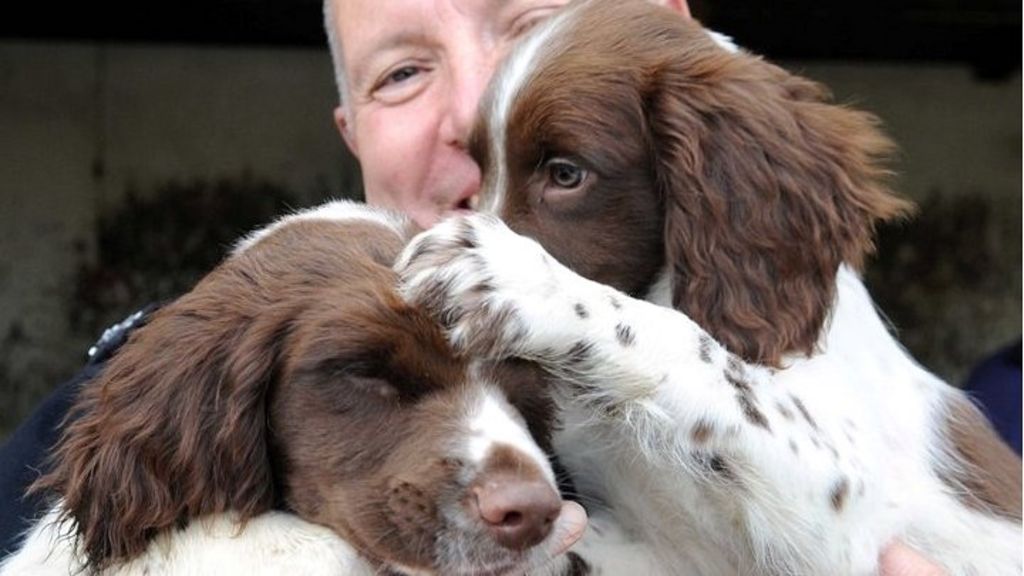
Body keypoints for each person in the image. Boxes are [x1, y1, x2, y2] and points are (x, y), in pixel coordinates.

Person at [0, 0, 949, 573]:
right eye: (403, 73)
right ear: (353, 134)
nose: (472, 110)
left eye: (533, 28)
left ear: (672, 26)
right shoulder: (147, 397)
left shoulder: (838, 394)